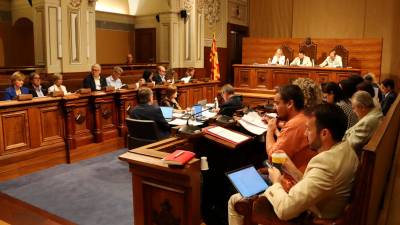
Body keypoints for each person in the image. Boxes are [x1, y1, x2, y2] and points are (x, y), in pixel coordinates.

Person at [228, 104, 358, 224]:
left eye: (308, 129)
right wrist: (292, 169)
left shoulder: (326, 164)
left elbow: (285, 211)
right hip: (316, 206)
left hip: (313, 217)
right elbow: (315, 185)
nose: (305, 133)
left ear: (324, 133)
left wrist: (276, 182)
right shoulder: (346, 149)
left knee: (234, 200)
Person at [265, 85, 314, 172]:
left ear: (289, 104)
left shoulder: (294, 125)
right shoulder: (306, 116)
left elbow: (273, 157)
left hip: (291, 181)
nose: (274, 107)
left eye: (277, 103)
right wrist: (276, 130)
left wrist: (270, 130)